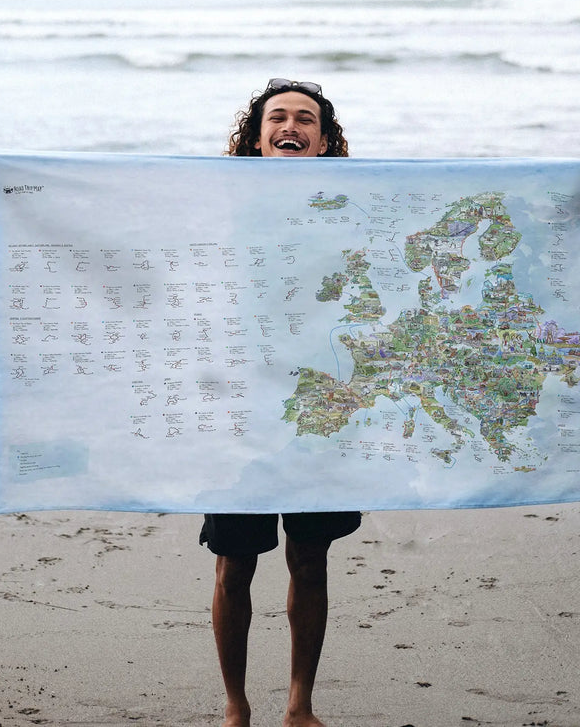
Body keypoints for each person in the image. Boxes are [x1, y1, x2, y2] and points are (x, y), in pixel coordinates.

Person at [199, 79, 361, 727]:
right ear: (256, 136)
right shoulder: (219, 206)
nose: (291, 126)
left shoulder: (348, 208)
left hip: (319, 407)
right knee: (234, 562)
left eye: (305, 120)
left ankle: (300, 704)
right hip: (241, 408)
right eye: (278, 118)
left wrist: (578, 201)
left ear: (323, 143)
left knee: (310, 559)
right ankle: (236, 706)